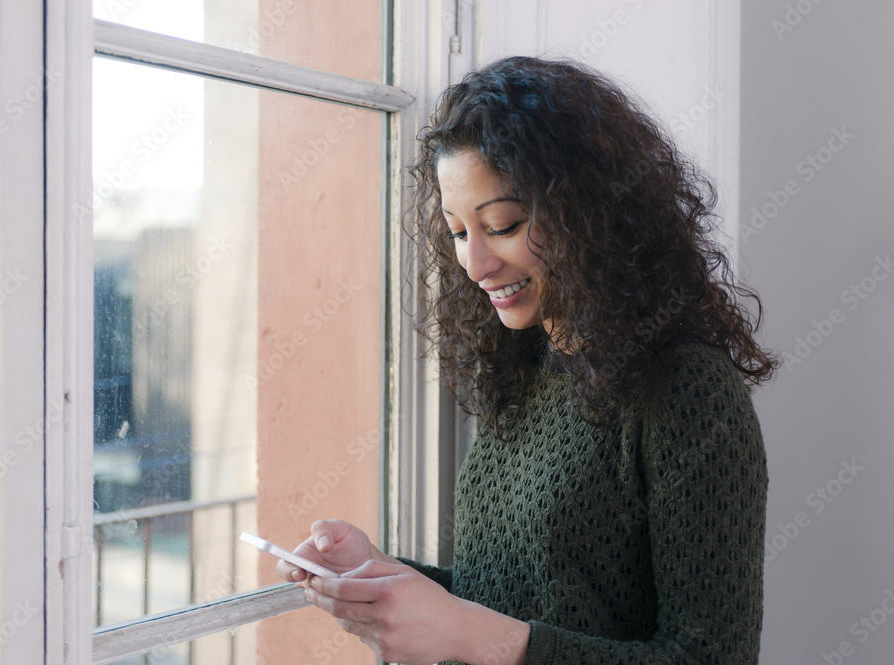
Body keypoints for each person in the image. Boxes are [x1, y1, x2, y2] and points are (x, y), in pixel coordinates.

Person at [276, 55, 779, 665]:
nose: (477, 265)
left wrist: (464, 633)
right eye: (459, 232)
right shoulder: (528, 369)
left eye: (504, 225)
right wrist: (382, 575)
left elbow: (710, 658)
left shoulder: (687, 390)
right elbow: (517, 604)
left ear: (591, 213)